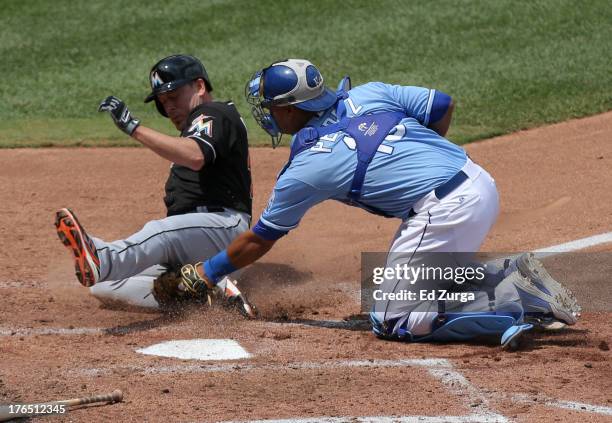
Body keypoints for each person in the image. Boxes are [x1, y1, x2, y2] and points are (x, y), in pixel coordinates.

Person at [177, 58, 580, 346]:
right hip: (478, 180)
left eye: (272, 107)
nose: (268, 114)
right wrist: (426, 153)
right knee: (420, 278)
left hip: (442, 210)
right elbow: (442, 104)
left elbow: (262, 237)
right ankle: (512, 275)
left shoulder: (307, 168)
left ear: (292, 109)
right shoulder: (370, 93)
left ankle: (514, 301)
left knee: (393, 317)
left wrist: (208, 272)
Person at [55, 54, 255, 315]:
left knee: (160, 233)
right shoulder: (197, 128)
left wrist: (133, 128)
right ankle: (207, 294)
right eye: (162, 102)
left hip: (222, 228)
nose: (169, 107)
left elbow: (196, 157)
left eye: (173, 97)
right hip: (195, 243)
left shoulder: (215, 113)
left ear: (199, 86)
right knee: (106, 286)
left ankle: (103, 257)